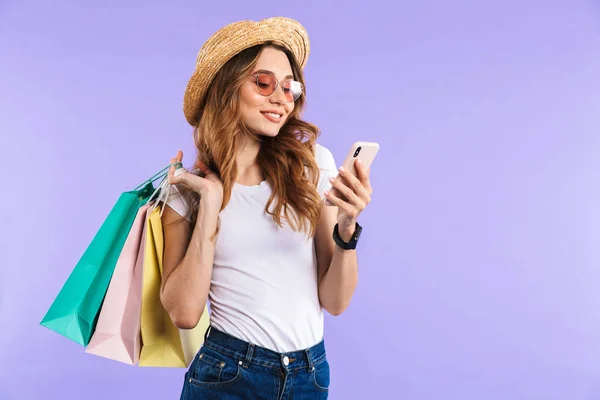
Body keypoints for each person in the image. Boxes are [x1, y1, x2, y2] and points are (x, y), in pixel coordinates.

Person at [159, 17, 374, 399]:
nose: (281, 98)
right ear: (227, 88)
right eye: (264, 83)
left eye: (290, 87)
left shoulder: (312, 166)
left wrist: (346, 228)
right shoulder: (185, 191)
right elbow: (184, 313)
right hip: (227, 375)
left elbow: (335, 303)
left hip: (310, 375)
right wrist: (209, 206)